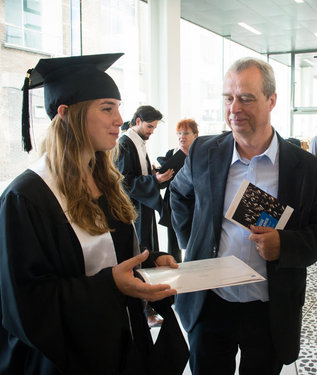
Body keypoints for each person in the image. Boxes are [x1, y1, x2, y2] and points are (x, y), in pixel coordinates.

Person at [0, 54, 188, 374]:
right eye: (107, 108)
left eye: (118, 107)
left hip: (122, 343)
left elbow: (112, 255)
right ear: (66, 113)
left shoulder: (106, 182)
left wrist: (149, 261)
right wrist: (110, 285)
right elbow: (25, 304)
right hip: (68, 360)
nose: (120, 119)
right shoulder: (26, 198)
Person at [169, 57, 317, 375]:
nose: (234, 108)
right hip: (210, 302)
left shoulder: (306, 169)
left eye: (246, 98)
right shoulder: (204, 152)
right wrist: (193, 243)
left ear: (272, 100)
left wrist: (284, 245)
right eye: (228, 98)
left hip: (269, 308)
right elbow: (178, 195)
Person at [116, 105, 174, 254]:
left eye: (154, 128)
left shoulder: (138, 142)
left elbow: (138, 175)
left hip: (143, 206)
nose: (152, 132)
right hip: (133, 208)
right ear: (137, 121)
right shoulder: (125, 144)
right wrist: (155, 180)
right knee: (139, 250)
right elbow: (126, 183)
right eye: (149, 127)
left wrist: (152, 174)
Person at [160, 118, 199, 262]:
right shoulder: (172, 153)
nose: (182, 136)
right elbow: (163, 182)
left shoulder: (200, 153)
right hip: (174, 203)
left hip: (195, 203)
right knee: (174, 241)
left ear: (195, 135)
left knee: (193, 241)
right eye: (179, 133)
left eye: (186, 133)